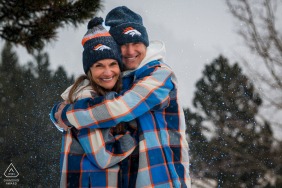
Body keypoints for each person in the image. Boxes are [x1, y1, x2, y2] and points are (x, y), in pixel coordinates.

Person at [55, 6, 191, 188]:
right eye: (123, 44)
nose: (130, 51)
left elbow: (121, 108)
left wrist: (65, 114)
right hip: (130, 178)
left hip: (162, 178)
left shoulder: (159, 75)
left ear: (146, 44)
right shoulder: (118, 80)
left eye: (136, 43)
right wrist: (58, 110)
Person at [50, 17, 138, 187]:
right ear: (89, 69)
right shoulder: (86, 98)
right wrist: (137, 136)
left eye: (113, 64)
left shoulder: (108, 96)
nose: (108, 72)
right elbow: (103, 156)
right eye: (99, 65)